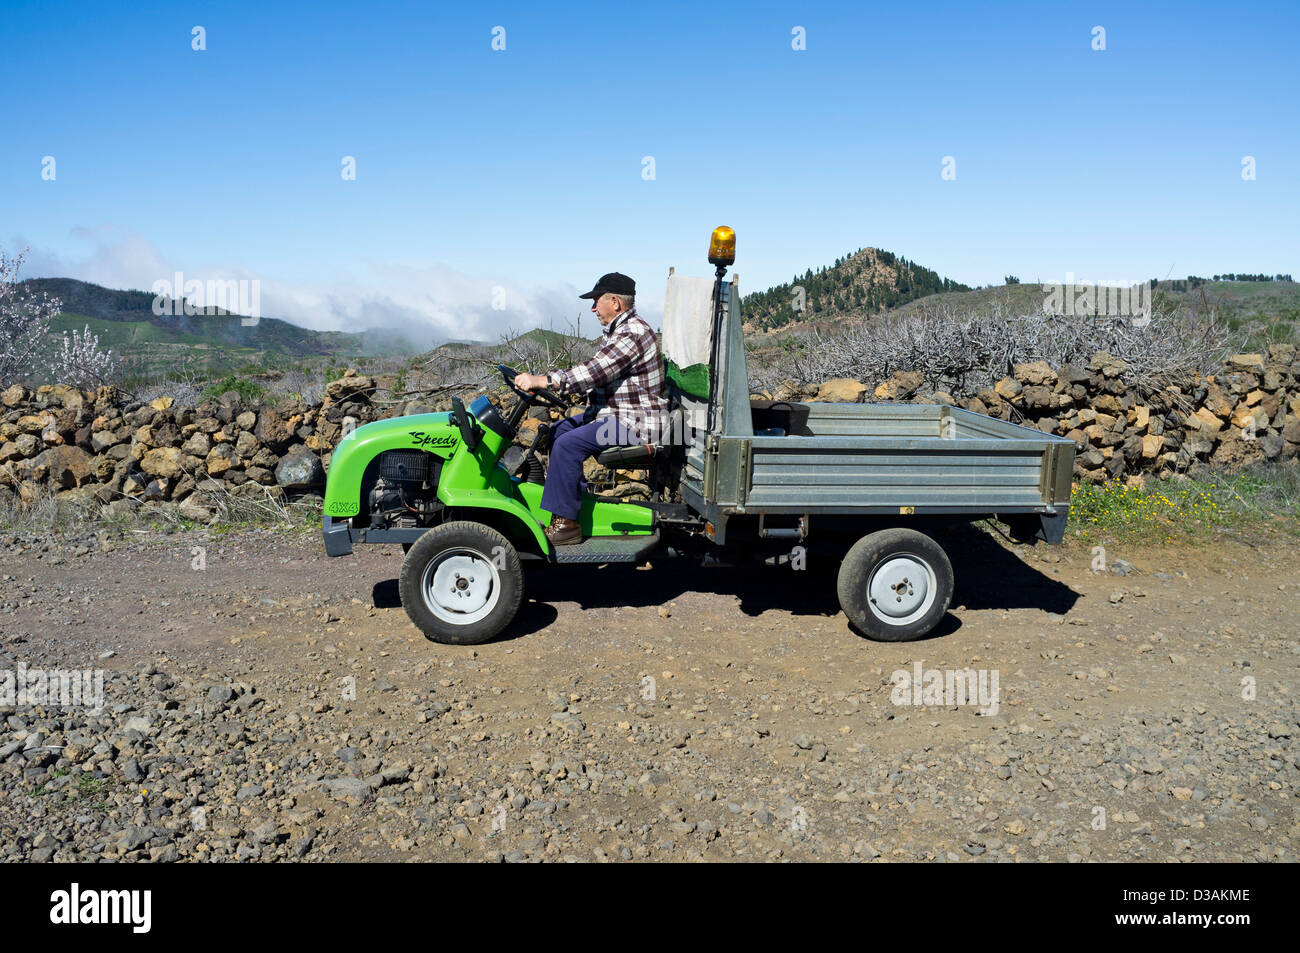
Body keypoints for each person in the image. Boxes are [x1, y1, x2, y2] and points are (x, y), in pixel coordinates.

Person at [513, 272, 668, 545]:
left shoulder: (633, 333)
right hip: (619, 417)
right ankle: (574, 507)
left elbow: (593, 372)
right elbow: (594, 373)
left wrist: (542, 380)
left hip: (638, 424)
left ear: (616, 303)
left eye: (597, 301)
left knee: (568, 444)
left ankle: (567, 526)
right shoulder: (617, 332)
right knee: (558, 431)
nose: (593, 308)